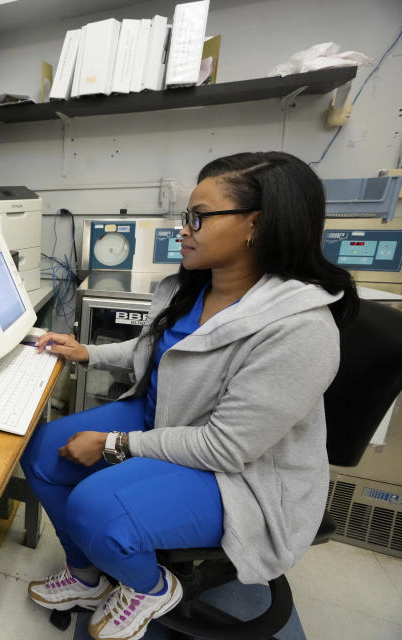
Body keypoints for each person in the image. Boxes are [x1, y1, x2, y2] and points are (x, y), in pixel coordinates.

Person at [22, 151, 358, 640]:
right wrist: (88, 353)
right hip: (164, 420)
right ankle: (87, 577)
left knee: (94, 508)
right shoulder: (192, 287)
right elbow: (158, 350)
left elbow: (226, 447)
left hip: (239, 473)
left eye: (198, 217)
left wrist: (114, 443)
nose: (183, 229)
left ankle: (150, 587)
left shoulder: (299, 328)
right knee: (42, 452)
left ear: (256, 225)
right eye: (186, 217)